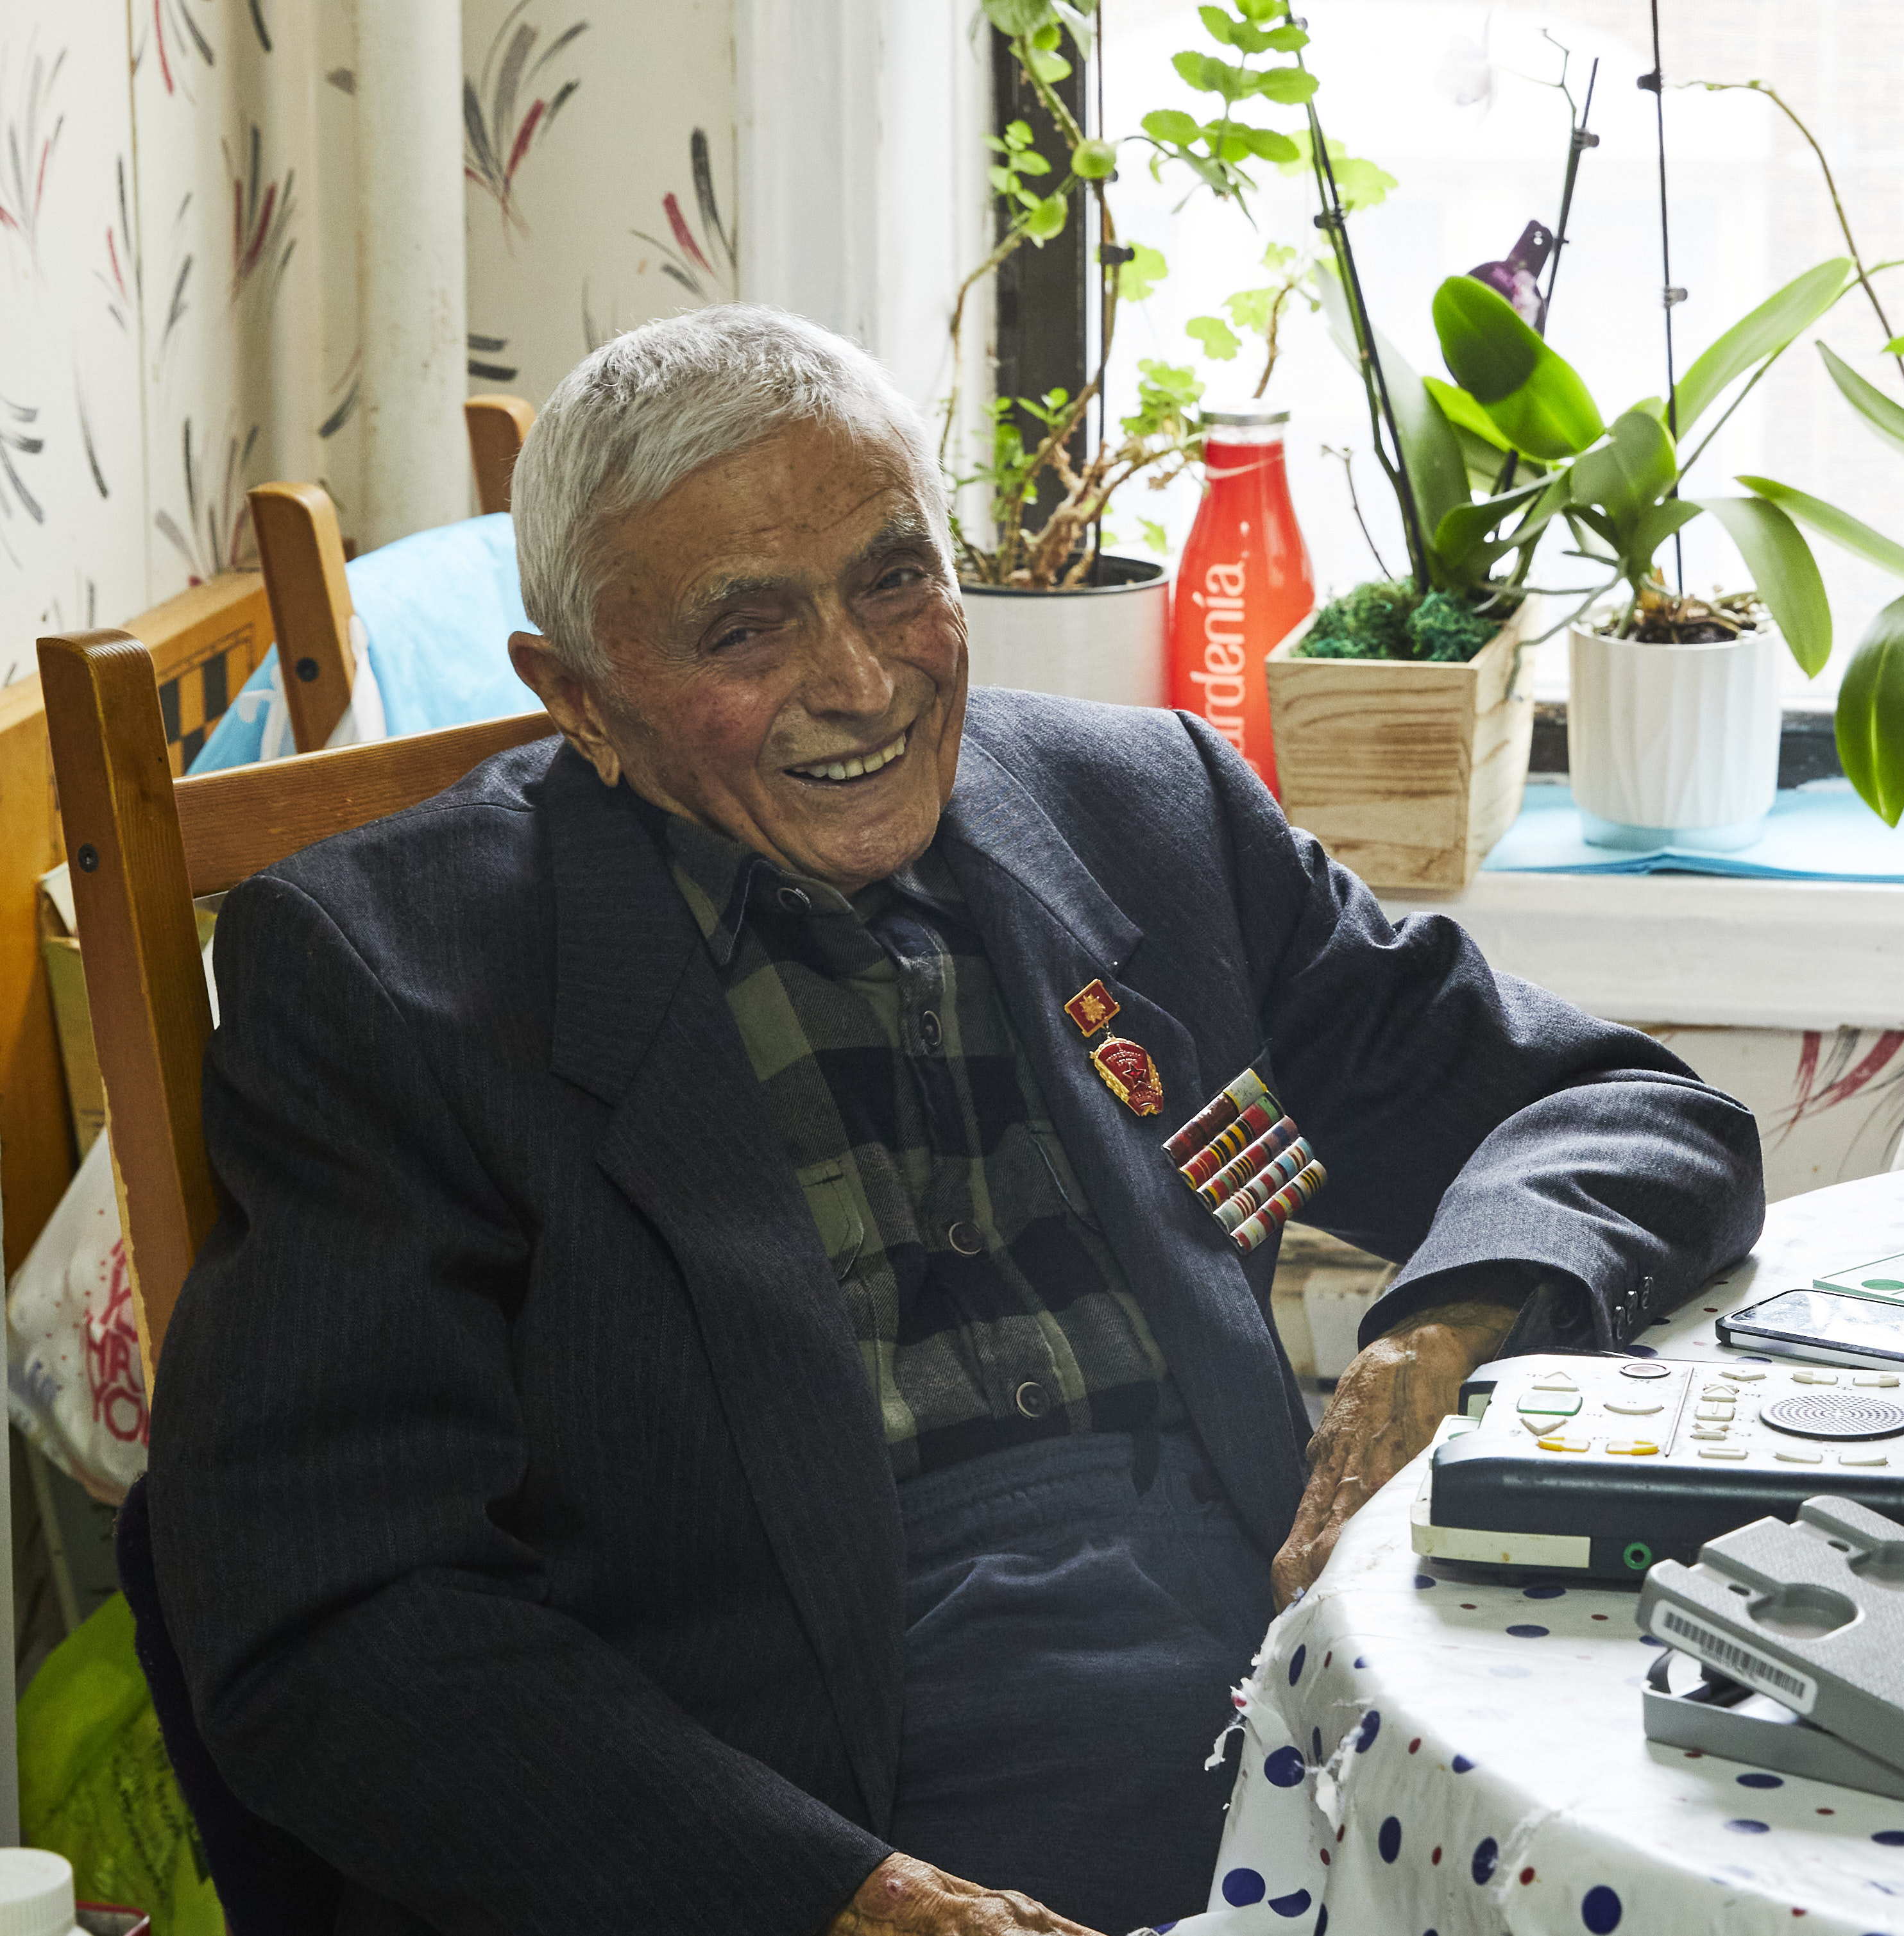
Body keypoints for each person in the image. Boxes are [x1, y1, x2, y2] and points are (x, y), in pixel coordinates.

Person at [147, 305, 1763, 1936]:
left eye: (892, 578)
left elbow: (1622, 1110)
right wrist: (844, 1901)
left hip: (1295, 1736)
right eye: (744, 633)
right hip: (812, 1817)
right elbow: (339, 1619)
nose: (860, 684)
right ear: (578, 699)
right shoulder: (389, 980)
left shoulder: (1142, 812)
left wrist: (1438, 1327)